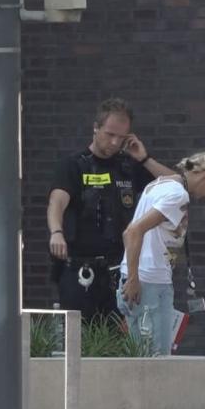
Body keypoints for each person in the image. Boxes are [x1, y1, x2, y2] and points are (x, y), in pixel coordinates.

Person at [46, 98, 175, 326]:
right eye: (109, 134)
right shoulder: (74, 165)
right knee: (80, 335)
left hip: (118, 268)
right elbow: (57, 201)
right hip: (80, 267)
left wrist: (144, 159)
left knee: (120, 336)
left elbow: (175, 185)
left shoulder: (129, 166)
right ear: (95, 128)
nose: (115, 142)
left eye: (122, 137)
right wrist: (56, 231)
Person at [117, 151, 205, 356]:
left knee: (143, 354)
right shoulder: (178, 194)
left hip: (146, 276)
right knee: (156, 357)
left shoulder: (161, 184)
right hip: (149, 279)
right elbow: (133, 231)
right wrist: (134, 278)